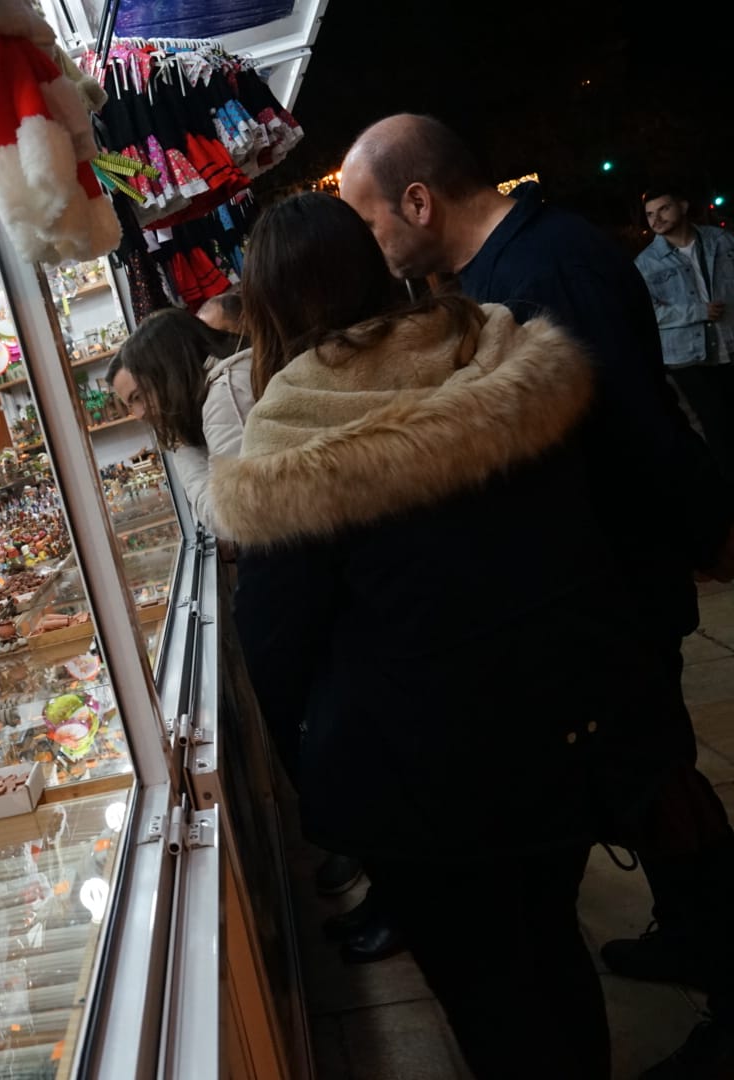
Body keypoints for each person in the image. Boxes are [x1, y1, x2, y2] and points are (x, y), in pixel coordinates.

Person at [213, 191, 653, 1080]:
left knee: (486, 992)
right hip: (564, 727)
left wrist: (320, 778)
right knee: (551, 947)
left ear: (268, 305)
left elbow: (278, 648)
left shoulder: (294, 425)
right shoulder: (490, 347)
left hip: (423, 775)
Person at [340, 113, 734, 1077]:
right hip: (600, 580)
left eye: (370, 218)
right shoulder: (513, 264)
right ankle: (692, 936)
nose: (372, 243)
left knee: (660, 779)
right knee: (649, 782)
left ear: (419, 201)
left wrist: (690, 543)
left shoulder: (540, 272)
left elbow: (628, 432)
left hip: (618, 580)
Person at [107, 307, 253, 535]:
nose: (139, 413)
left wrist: (179, 443)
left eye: (139, 395)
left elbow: (230, 518)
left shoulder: (226, 396)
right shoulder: (228, 386)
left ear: (168, 371)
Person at [637, 184, 734, 482]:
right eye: (650, 214)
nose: (656, 219)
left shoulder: (722, 241)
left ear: (683, 205)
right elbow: (648, 313)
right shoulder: (645, 263)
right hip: (688, 357)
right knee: (716, 426)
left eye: (663, 209)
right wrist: (697, 311)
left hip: (730, 345)